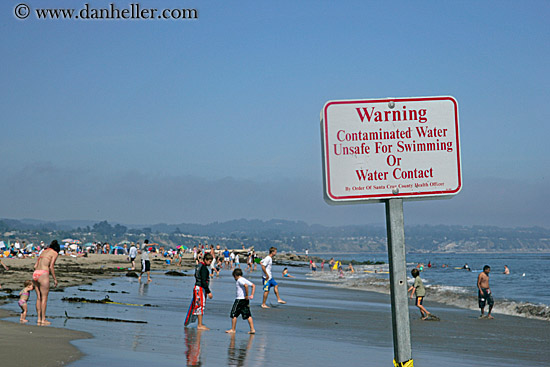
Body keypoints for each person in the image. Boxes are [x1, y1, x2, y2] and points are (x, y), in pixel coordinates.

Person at [33, 239, 60, 326]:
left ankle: (38, 319)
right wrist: (55, 279)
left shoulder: (43, 251)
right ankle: (43, 319)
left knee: (38, 298)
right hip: (43, 273)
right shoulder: (55, 253)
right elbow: (51, 266)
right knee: (44, 298)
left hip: (36, 273)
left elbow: (35, 266)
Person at [226, 268, 256, 334]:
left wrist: (247, 295)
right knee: (248, 314)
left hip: (239, 299)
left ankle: (233, 329)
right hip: (245, 300)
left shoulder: (239, 280)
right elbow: (253, 285)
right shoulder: (243, 279)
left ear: (235, 275)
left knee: (234, 314)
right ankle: (252, 329)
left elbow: (246, 286)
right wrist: (252, 295)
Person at [193, 253, 214, 330]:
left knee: (199, 305)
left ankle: (200, 323)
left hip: (197, 287)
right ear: (205, 260)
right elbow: (204, 281)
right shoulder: (204, 268)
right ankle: (200, 324)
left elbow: (196, 275)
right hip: (200, 288)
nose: (210, 263)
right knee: (200, 305)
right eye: (209, 261)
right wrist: (209, 292)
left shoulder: (198, 266)